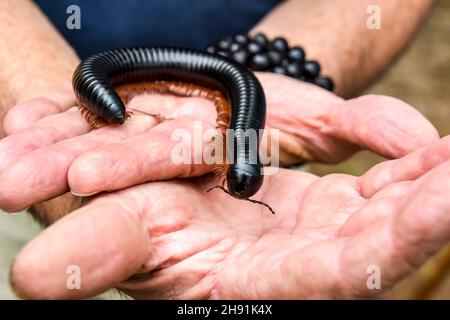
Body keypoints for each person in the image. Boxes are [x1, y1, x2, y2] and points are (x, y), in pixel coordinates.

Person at [1, 0, 448, 299]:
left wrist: (271, 66)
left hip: (258, 109)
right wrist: (38, 97)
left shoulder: (247, 157)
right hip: (25, 115)